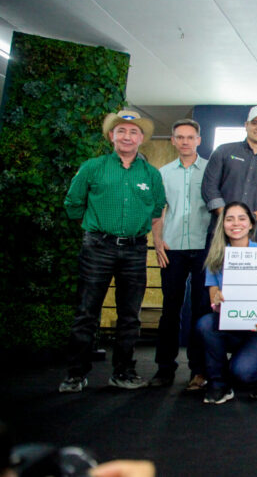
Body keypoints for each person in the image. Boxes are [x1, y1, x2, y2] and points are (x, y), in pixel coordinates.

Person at [59, 110, 166, 393]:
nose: (127, 136)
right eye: (121, 131)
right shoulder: (93, 167)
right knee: (86, 313)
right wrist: (95, 229)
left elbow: (157, 209)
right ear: (111, 136)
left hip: (134, 250)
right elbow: (73, 204)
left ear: (141, 138)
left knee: (130, 316)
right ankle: (75, 374)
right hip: (97, 248)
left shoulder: (151, 174)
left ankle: (123, 372)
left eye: (133, 132)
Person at [196, 202, 257, 404]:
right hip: (234, 326)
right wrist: (218, 300)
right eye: (229, 219)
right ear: (222, 225)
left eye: (241, 218)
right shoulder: (216, 257)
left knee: (244, 373)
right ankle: (218, 384)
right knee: (205, 323)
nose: (235, 223)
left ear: (251, 224)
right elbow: (214, 301)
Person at [149, 119, 212, 390]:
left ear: (199, 140)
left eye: (190, 137)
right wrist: (157, 242)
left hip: (204, 248)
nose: (185, 141)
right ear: (173, 141)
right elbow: (157, 210)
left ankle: (198, 370)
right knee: (170, 309)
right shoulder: (163, 173)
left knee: (201, 310)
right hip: (172, 248)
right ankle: (165, 369)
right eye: (180, 137)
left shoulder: (212, 169)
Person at [202, 104, 257, 245]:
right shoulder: (223, 151)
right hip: (220, 234)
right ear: (246, 125)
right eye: (254, 123)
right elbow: (209, 188)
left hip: (256, 236)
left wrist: (251, 217)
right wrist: (228, 217)